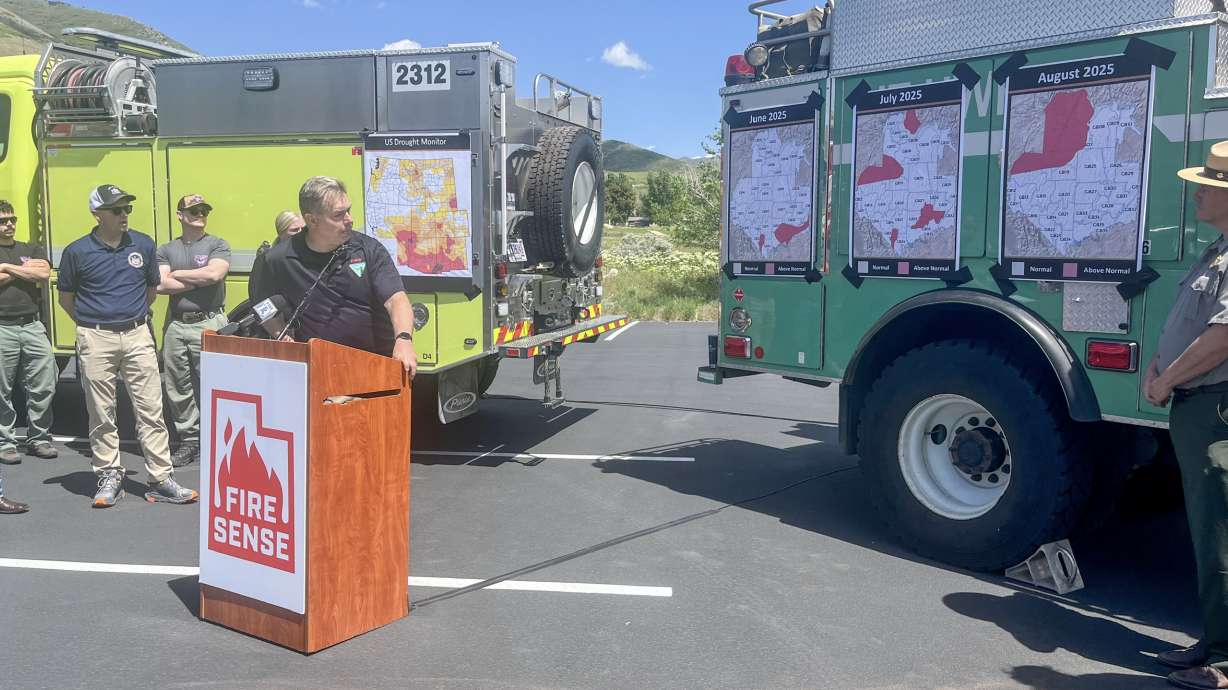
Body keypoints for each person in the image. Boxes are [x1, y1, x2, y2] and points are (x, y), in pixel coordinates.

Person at [58, 184, 198, 508]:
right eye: (117, 210)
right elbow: (67, 299)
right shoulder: (77, 252)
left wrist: (130, 319)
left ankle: (161, 478)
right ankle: (109, 474)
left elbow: (151, 290)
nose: (124, 215)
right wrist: (93, 325)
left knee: (151, 409)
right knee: (101, 411)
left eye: (127, 209)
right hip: (96, 336)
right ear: (97, 214)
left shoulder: (143, 244)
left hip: (137, 334)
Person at [1146, 140, 1228, 690]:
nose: (1197, 192)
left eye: (1209, 186)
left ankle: (1222, 662)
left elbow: (1223, 336)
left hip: (1214, 409)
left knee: (1219, 530)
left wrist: (1168, 378)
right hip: (1198, 405)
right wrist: (1159, 364)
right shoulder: (1217, 249)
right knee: (1207, 527)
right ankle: (1213, 642)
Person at [250, 176, 417, 377]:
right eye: (339, 215)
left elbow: (396, 299)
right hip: (319, 372)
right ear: (312, 220)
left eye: (348, 210)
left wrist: (404, 339)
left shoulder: (368, 249)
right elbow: (261, 304)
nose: (349, 219)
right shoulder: (278, 259)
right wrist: (279, 333)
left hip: (374, 368)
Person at [156, 194, 231, 467]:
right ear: (180, 215)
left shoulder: (217, 243)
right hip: (177, 325)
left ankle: (221, 441)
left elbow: (214, 275)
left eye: (203, 210)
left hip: (209, 322)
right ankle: (189, 441)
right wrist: (196, 279)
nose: (200, 214)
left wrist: (178, 274)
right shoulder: (166, 249)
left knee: (217, 385)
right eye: (194, 210)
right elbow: (161, 286)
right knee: (178, 387)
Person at [0, 200, 57, 466]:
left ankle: (39, 439)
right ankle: (6, 442)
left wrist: (7, 268)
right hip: (3, 327)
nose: (9, 224)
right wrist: (26, 272)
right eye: (3, 221)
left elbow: (44, 273)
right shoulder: (28, 256)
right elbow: (33, 273)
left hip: (33, 325)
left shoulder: (30, 248)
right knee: (3, 389)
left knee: (44, 383)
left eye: (12, 219)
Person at [249, 211, 304, 302]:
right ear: (281, 232)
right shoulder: (268, 258)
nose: (301, 233)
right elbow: (258, 295)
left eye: (303, 229)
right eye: (295, 230)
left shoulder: (308, 256)